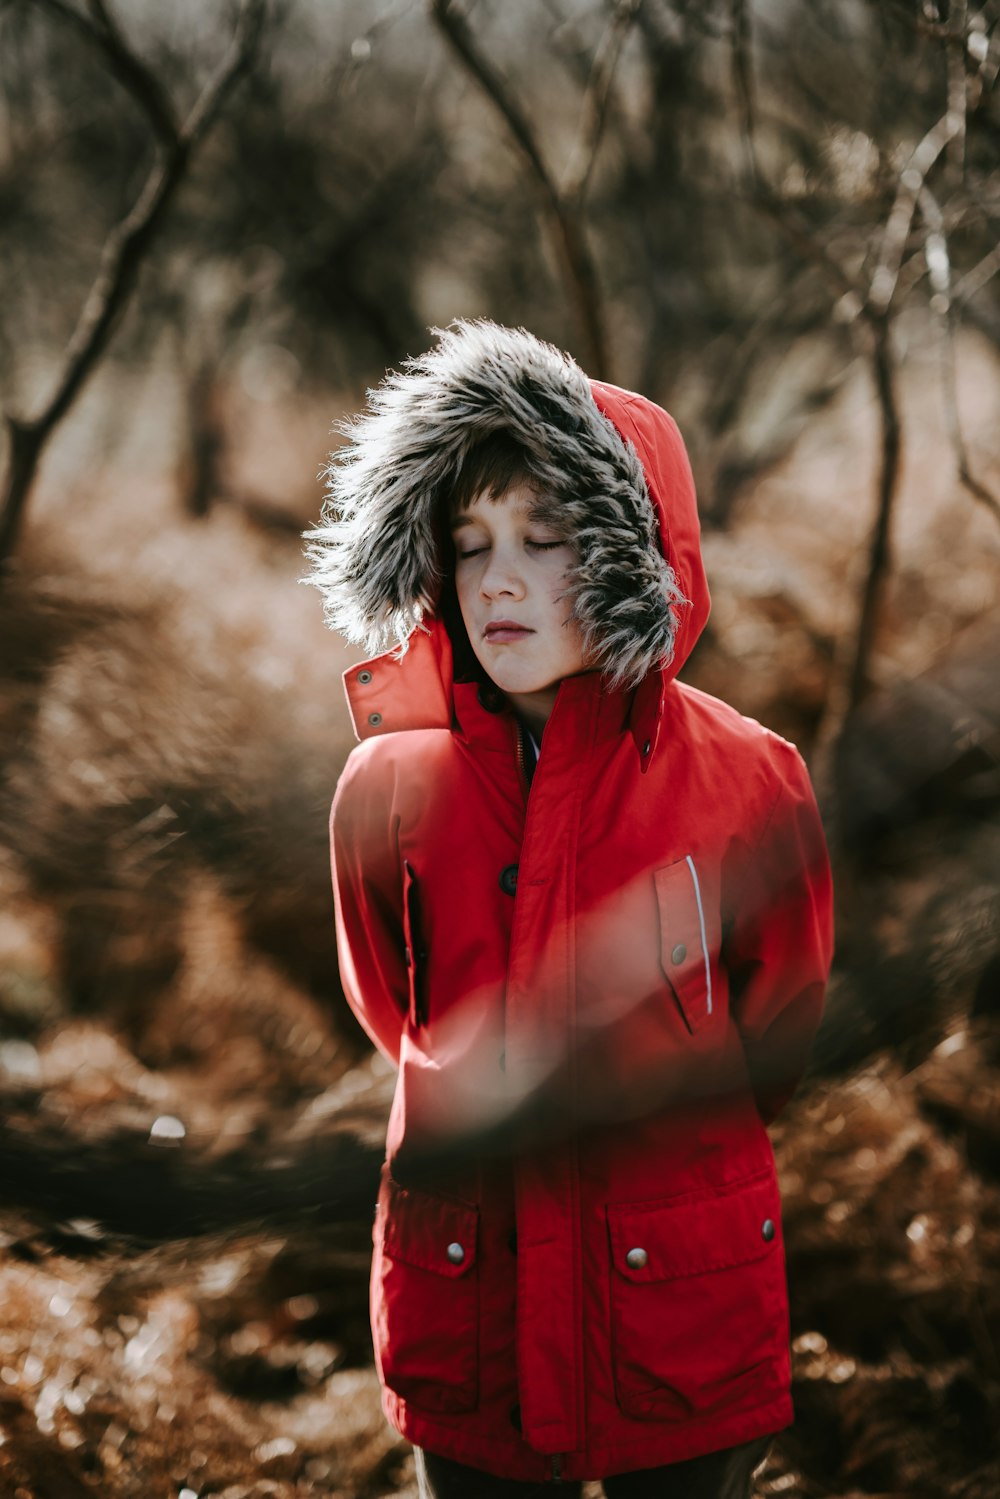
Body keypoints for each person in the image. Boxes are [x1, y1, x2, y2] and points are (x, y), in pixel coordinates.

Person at [300, 319, 835, 1497]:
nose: (498, 577)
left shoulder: (748, 778)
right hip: (470, 1296)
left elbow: (778, 1028)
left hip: (674, 1296)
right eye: (470, 539)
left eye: (547, 539)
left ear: (636, 558)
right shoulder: (389, 788)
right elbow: (394, 1012)